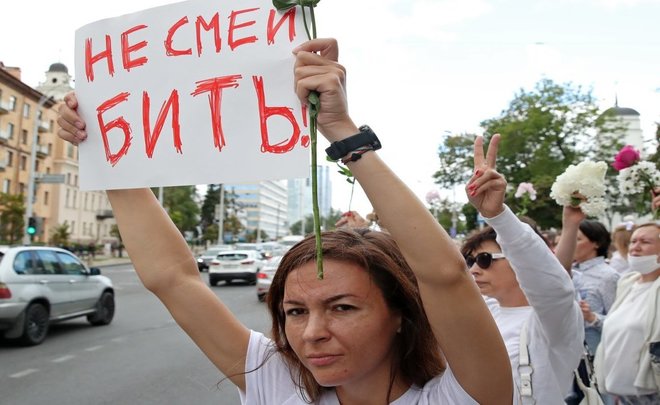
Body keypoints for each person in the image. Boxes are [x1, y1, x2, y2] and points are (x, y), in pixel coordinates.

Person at [57, 38, 513, 404]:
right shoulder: (277, 382)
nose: (312, 334)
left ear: (400, 314)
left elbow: (444, 273)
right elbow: (173, 279)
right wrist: (105, 151)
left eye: (342, 307)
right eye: (295, 312)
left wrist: (340, 129)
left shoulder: (464, 396)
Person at [461, 136, 583, 404]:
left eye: (485, 260)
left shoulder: (553, 320)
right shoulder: (484, 312)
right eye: (470, 261)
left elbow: (553, 286)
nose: (474, 270)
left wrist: (498, 216)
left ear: (518, 260)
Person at [594, 223, 660, 404]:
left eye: (645, 242)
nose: (636, 247)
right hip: (620, 395)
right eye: (633, 241)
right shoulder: (627, 283)